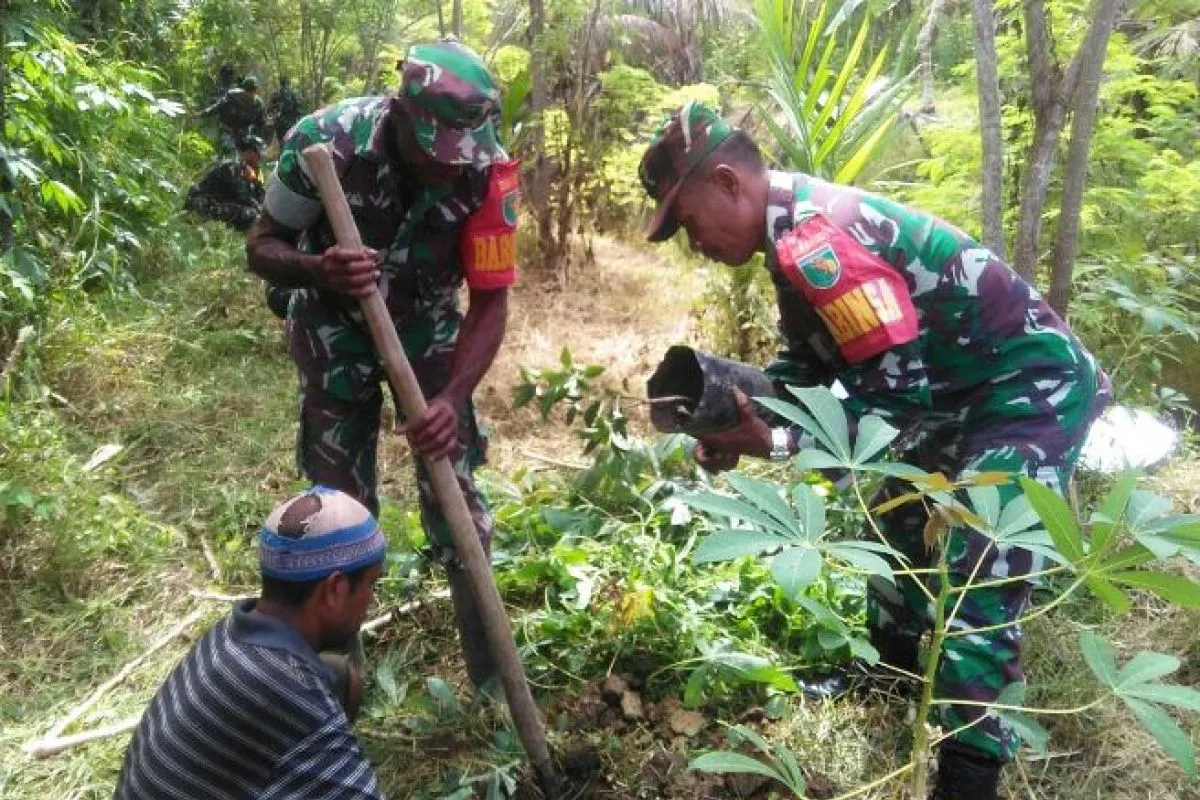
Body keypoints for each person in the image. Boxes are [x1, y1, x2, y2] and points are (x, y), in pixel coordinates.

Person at [637, 102, 1110, 800]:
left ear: (731, 182)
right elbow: (813, 369)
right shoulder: (789, 239)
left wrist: (773, 440)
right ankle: (888, 675)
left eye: (687, 219)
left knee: (978, 571)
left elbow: (895, 406)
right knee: (896, 511)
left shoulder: (816, 241)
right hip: (952, 388)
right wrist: (734, 418)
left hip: (1024, 389)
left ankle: (967, 776)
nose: (692, 241)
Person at [245, 39, 519, 689]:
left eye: (461, 157)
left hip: (426, 330)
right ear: (400, 115)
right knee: (334, 513)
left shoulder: (487, 170)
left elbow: (490, 300)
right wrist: (317, 268)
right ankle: (333, 687)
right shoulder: (324, 143)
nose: (448, 169)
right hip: (332, 327)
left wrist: (453, 397)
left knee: (459, 504)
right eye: (435, 154)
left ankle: (490, 685)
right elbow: (262, 246)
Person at [113, 487, 387, 800]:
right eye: (371, 584)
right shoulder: (293, 693)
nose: (371, 601)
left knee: (337, 675)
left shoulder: (230, 632)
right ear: (335, 589)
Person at [183, 135, 265, 232]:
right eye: (255, 152)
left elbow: (261, 198)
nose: (259, 157)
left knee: (254, 215)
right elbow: (242, 196)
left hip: (220, 204)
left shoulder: (253, 173)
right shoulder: (233, 167)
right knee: (250, 214)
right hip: (206, 204)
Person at [201, 74, 267, 156]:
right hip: (228, 132)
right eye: (247, 90)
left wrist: (258, 138)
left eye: (252, 90)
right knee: (229, 155)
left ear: (255, 90)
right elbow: (217, 107)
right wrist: (201, 114)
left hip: (246, 135)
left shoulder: (258, 104)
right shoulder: (232, 96)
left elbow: (261, 124)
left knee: (254, 155)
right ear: (243, 89)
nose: (249, 94)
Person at [268, 75, 305, 144]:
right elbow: (299, 110)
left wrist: (273, 118)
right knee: (290, 142)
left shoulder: (276, 94)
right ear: (288, 83)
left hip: (280, 123)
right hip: (291, 123)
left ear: (280, 83)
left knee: (281, 142)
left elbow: (270, 109)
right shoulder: (293, 94)